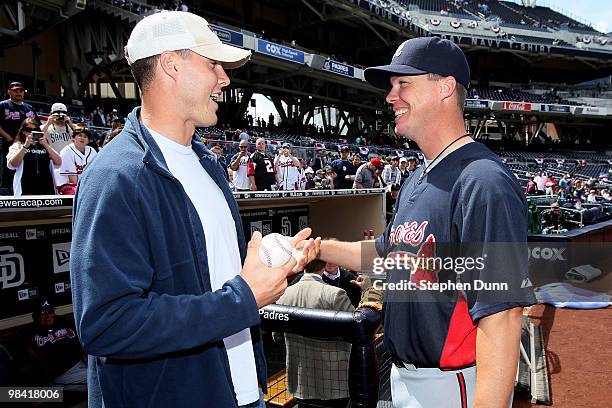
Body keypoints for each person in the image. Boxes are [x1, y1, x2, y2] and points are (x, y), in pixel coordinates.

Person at [70, 11, 318, 408]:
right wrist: (242, 298)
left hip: (241, 392)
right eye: (213, 64)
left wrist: (272, 269)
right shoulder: (116, 175)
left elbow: (210, 276)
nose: (224, 79)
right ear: (171, 64)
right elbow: (106, 323)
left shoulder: (206, 163)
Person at [313, 37, 535, 408]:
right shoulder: (418, 178)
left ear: (446, 87)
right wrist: (317, 248)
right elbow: (383, 256)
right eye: (391, 86)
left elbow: (503, 315)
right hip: (403, 378)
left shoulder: (483, 181)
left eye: (404, 84)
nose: (390, 96)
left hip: (453, 384)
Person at [276, 259, 354, 408]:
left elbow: (276, 335)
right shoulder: (335, 294)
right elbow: (357, 329)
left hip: (300, 380)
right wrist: (368, 291)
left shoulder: (284, 294)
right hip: (334, 381)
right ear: (324, 266)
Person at [16, 298, 87, 391]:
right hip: (60, 375)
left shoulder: (62, 321)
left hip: (79, 366)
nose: (47, 316)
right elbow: (25, 366)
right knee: (99, 378)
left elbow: (81, 342)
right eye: (43, 313)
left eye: (50, 311)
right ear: (35, 315)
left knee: (105, 371)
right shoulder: (28, 333)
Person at [6, 118, 61, 196]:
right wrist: (25, 146)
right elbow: (12, 165)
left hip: (46, 187)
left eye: (35, 130)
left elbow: (59, 162)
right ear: (23, 131)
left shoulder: (44, 145)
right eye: (28, 130)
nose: (31, 133)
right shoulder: (18, 145)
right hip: (25, 188)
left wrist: (47, 145)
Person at [0, 82, 38, 189]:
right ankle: (6, 195)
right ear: (9, 92)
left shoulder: (29, 108)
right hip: (8, 144)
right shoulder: (3, 105)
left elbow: (37, 126)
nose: (18, 93)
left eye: (20, 91)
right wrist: (8, 137)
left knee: (26, 171)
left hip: (27, 145)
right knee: (8, 171)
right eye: (15, 91)